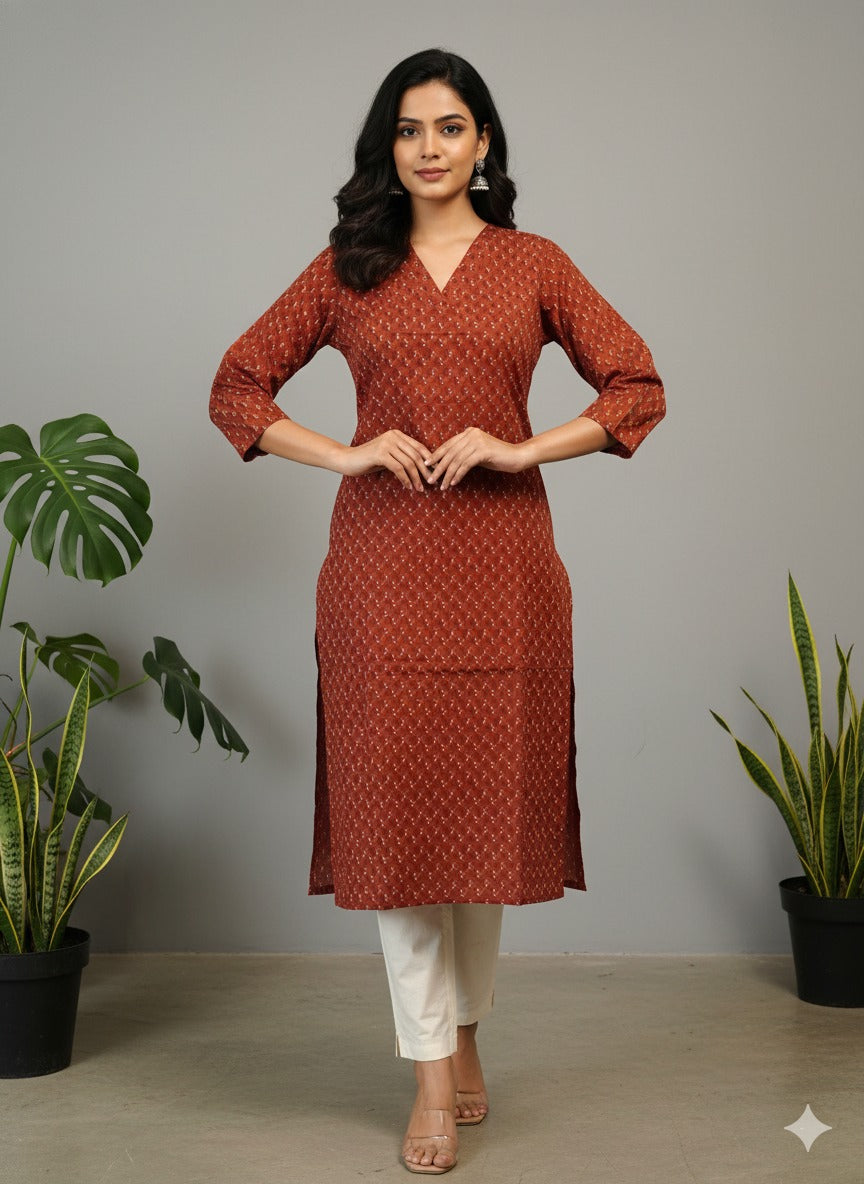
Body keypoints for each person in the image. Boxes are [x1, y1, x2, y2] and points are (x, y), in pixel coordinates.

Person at [210, 47, 665, 1175]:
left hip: (506, 574)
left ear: (484, 142)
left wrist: (520, 445)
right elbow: (238, 387)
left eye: (451, 127)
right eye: (409, 129)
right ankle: (426, 1072)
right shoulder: (348, 269)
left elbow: (635, 387)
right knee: (401, 825)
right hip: (381, 576)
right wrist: (346, 452)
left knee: (483, 823)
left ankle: (463, 1032)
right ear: (388, 145)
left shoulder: (533, 263)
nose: (429, 148)